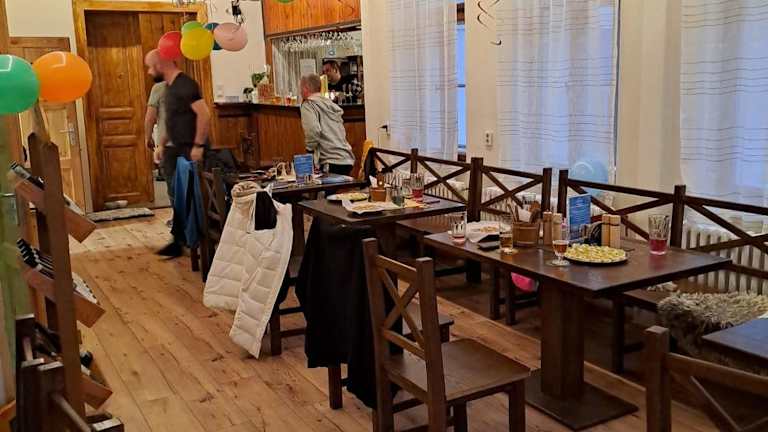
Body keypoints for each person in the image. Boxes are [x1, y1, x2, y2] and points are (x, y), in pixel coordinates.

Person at [145, 49, 211, 257]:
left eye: (151, 66)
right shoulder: (169, 88)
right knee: (177, 196)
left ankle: (197, 242)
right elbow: (170, 121)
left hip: (190, 150)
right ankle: (179, 240)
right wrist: (161, 145)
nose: (149, 71)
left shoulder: (185, 85)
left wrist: (198, 145)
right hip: (175, 149)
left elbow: (204, 114)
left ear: (160, 64)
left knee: (193, 198)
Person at [299, 74, 356, 176]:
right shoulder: (330, 104)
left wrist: (309, 150)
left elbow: (313, 131)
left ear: (305, 88)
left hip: (329, 161)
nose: (300, 92)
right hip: (346, 159)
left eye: (300, 88)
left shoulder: (308, 105)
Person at [144, 80, 175, 207]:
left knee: (172, 185)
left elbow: (150, 117)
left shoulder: (159, 88)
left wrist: (148, 137)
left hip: (169, 146)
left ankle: (178, 215)